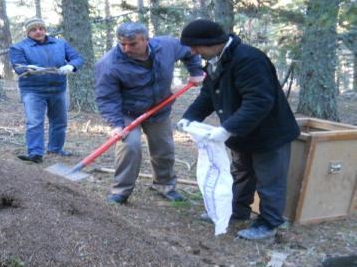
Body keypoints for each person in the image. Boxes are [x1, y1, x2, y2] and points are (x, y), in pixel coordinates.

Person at [177, 19, 300, 240]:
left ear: (212, 42)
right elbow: (208, 96)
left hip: (269, 133)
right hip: (242, 134)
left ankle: (269, 223)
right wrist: (189, 118)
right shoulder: (216, 61)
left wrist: (226, 129)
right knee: (240, 174)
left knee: (269, 179)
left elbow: (259, 101)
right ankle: (236, 210)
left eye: (196, 46)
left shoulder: (248, 59)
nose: (193, 52)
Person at [94, 22, 204, 204]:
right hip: (127, 112)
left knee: (164, 148)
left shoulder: (166, 46)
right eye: (122, 44)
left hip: (159, 108)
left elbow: (189, 52)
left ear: (146, 40)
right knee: (130, 146)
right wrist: (115, 124)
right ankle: (121, 191)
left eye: (132, 44)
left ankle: (165, 185)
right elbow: (106, 97)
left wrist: (196, 71)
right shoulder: (108, 64)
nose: (126, 48)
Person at [9, 18, 84, 164]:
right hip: (33, 90)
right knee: (35, 121)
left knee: (60, 121)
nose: (38, 31)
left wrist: (71, 66)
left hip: (58, 88)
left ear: (45, 29)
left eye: (41, 28)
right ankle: (35, 153)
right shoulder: (19, 47)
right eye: (34, 29)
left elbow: (77, 58)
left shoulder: (60, 43)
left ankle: (56, 148)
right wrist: (29, 69)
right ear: (28, 32)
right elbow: (18, 67)